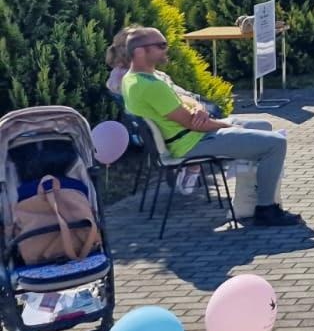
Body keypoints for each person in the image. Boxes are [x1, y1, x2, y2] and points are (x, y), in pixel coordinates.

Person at [118, 27, 302, 226]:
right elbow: (192, 124)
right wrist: (227, 124)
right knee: (276, 144)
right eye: (161, 45)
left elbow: (184, 98)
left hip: (191, 134)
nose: (166, 49)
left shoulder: (135, 78)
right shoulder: (150, 86)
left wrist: (198, 108)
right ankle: (267, 210)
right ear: (139, 51)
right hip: (192, 142)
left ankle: (246, 204)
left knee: (261, 125)